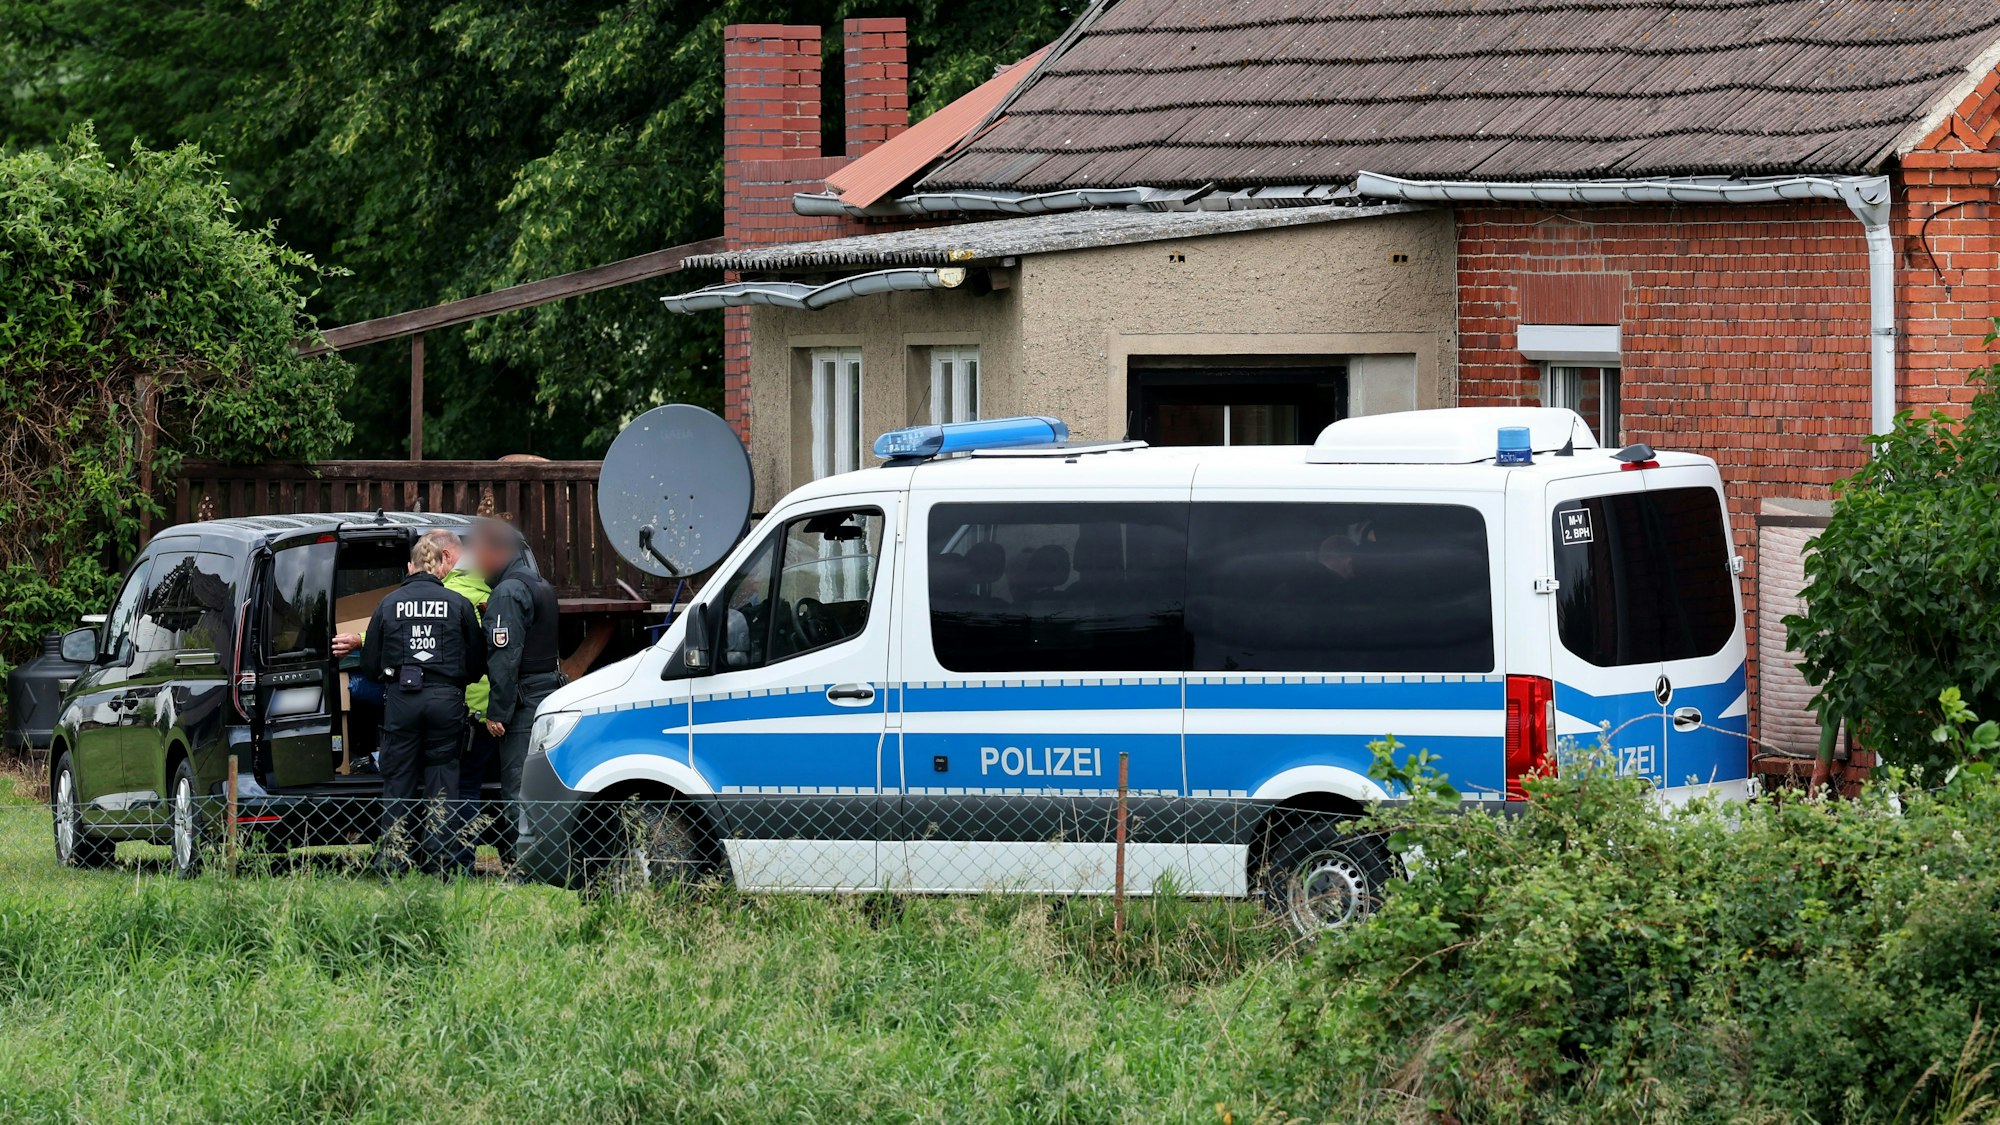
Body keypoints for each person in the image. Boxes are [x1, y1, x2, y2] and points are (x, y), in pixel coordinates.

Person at [334, 533, 497, 873]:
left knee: (399, 779)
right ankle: (444, 864)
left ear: (409, 566)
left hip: (402, 701)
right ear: (440, 567)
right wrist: (452, 682)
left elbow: (370, 662)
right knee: (444, 780)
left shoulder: (389, 603)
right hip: (446, 701)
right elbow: (477, 660)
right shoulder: (459, 604)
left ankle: (394, 860)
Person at [467, 519, 563, 831]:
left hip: (523, 703)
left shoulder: (508, 593)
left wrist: (498, 711)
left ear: (496, 552)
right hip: (546, 693)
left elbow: (504, 658)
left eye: (478, 553)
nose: (476, 563)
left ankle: (523, 865)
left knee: (518, 785)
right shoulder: (537, 583)